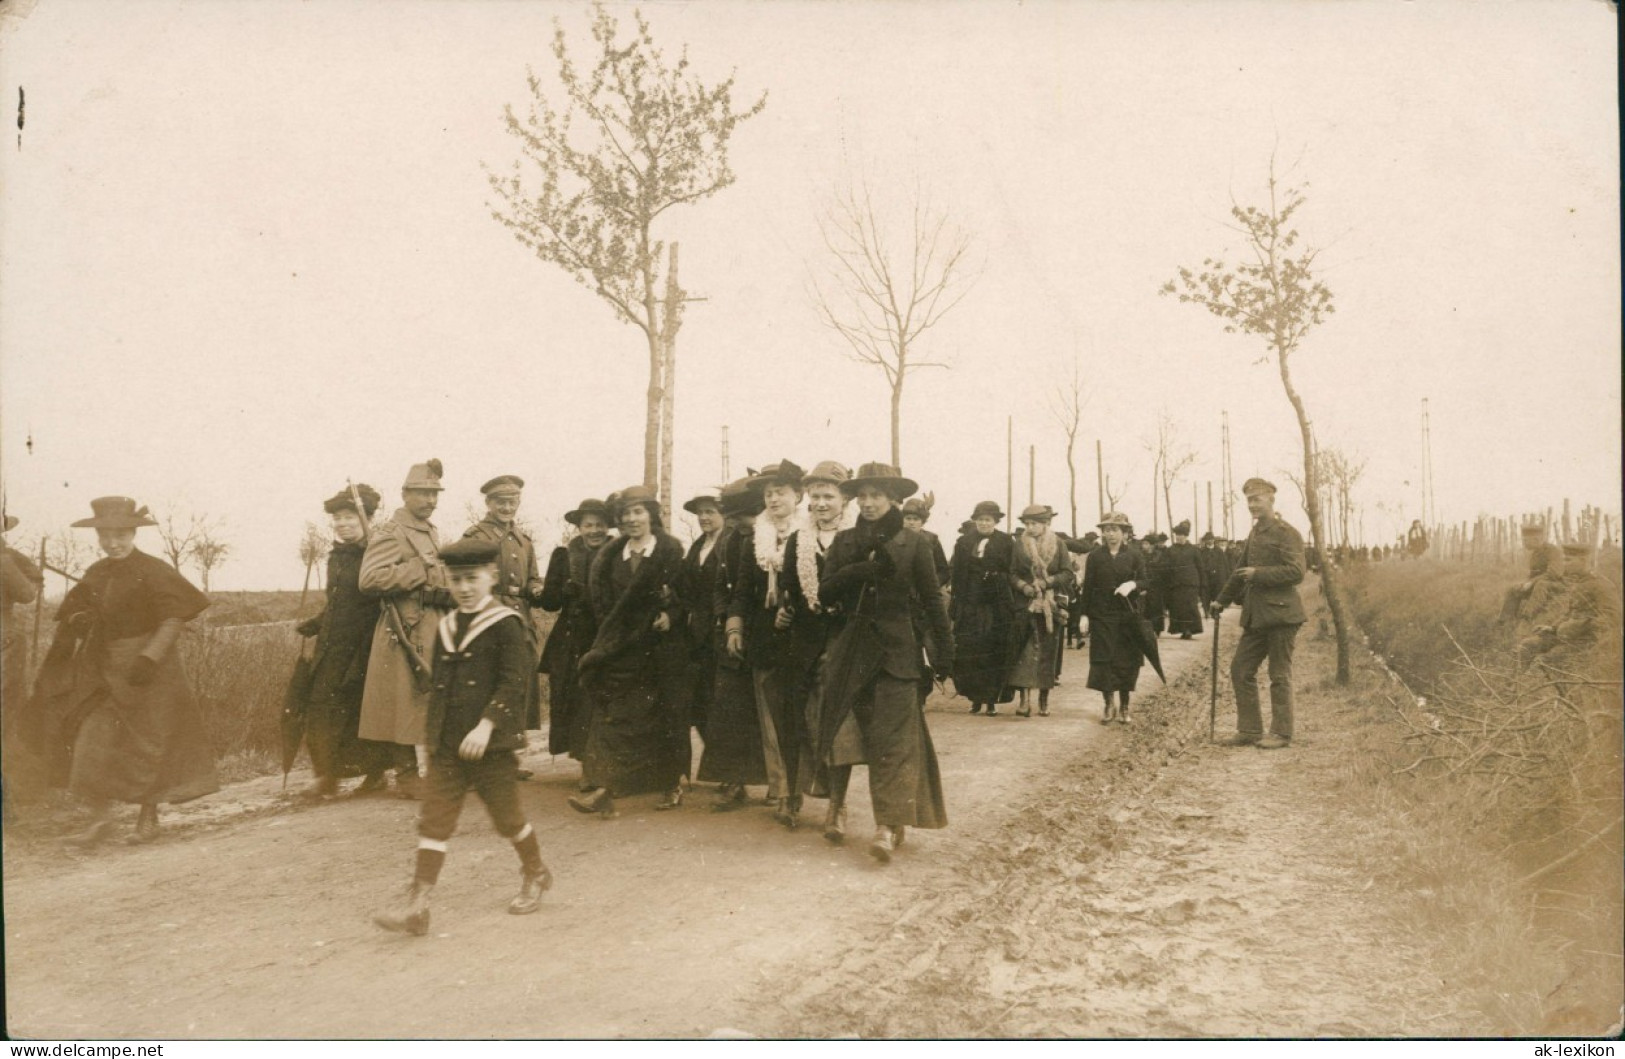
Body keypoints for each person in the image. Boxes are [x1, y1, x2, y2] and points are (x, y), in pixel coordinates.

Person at [372, 537, 550, 935]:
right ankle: (417, 905)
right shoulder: (449, 625)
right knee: (434, 821)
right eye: (456, 580)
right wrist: (432, 742)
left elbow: (513, 684)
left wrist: (487, 726)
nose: (464, 588)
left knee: (508, 819)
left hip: (492, 746)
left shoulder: (506, 623)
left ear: (491, 577)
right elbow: (440, 690)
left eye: (473, 578)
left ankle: (535, 871)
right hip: (448, 746)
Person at [23, 497, 217, 845]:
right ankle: (101, 819)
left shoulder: (154, 569)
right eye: (105, 535)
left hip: (151, 669)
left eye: (121, 534)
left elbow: (173, 617)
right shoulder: (97, 571)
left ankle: (148, 818)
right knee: (91, 739)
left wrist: (150, 657)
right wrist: (79, 618)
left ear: (133, 533)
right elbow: (77, 610)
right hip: (103, 668)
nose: (113, 542)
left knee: (148, 743)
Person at [817, 463, 953, 863]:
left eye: (877, 495)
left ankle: (887, 825)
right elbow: (825, 594)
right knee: (842, 732)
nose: (869, 502)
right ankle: (836, 807)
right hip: (850, 652)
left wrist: (944, 653)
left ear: (894, 498)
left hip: (897, 655)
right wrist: (856, 570)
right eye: (862, 496)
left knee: (893, 742)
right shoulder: (843, 542)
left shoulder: (914, 543)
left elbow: (932, 602)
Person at [571, 486, 688, 817]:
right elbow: (604, 606)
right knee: (618, 717)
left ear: (651, 514)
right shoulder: (610, 557)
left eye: (638, 512)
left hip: (662, 651)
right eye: (626, 514)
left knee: (666, 717)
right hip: (625, 651)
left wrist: (671, 613)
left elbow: (687, 594)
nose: (632, 520)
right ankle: (606, 790)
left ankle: (671, 785)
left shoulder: (670, 551)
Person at [358, 459, 452, 799]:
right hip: (405, 629)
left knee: (430, 701)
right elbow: (368, 580)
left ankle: (437, 773)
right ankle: (408, 776)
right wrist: (416, 567)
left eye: (434, 494)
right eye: (423, 493)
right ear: (405, 494)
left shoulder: (431, 530)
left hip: (434, 622)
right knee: (403, 704)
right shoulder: (391, 532)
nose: (430, 500)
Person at [293, 484, 392, 799]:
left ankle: (373, 774)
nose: (342, 524)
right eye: (337, 518)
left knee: (360, 711)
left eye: (350, 516)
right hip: (332, 646)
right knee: (321, 707)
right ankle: (327, 776)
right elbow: (338, 603)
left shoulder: (376, 553)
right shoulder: (337, 556)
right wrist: (316, 623)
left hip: (364, 646)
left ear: (368, 518)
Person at [728, 460, 808, 828]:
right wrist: (735, 626)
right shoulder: (754, 538)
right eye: (768, 493)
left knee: (801, 715)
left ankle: (804, 784)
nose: (774, 498)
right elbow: (743, 589)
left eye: (781, 491)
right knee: (770, 717)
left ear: (798, 495)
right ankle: (782, 789)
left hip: (802, 635)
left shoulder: (809, 533)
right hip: (764, 636)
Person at [779, 460, 856, 839]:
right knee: (805, 720)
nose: (822, 503)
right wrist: (791, 607)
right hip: (808, 644)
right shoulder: (798, 540)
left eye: (829, 496)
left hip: (848, 643)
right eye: (816, 496)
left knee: (839, 724)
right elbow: (790, 587)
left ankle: (837, 807)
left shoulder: (858, 538)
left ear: (845, 499)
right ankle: (795, 794)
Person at [1210, 478, 1306, 749]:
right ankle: (1250, 730)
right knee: (1241, 669)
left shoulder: (1286, 533)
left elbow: (1297, 572)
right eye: (1249, 500)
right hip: (1257, 617)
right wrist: (1220, 601)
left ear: (1271, 500)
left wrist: (1259, 574)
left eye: (1257, 499)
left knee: (1279, 674)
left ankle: (1281, 733)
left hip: (1283, 616)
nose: (1252, 505)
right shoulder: (1255, 533)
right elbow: (1239, 572)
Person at [696, 477, 769, 809]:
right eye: (735, 516)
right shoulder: (728, 541)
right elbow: (722, 588)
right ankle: (733, 780)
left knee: (766, 711)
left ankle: (777, 783)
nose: (741, 523)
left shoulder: (770, 539)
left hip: (765, 635)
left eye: (747, 516)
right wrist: (725, 618)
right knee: (729, 709)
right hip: (731, 636)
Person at [463, 476, 546, 754]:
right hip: (487, 618)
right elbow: (468, 579)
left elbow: (533, 577)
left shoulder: (523, 540)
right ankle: (481, 754)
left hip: (520, 618)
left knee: (516, 680)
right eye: (501, 502)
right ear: (488, 503)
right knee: (489, 681)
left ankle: (505, 753)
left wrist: (535, 589)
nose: (507, 507)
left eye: (512, 502)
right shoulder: (477, 537)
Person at [538, 498, 613, 766]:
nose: (594, 531)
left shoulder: (616, 554)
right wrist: (561, 590)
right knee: (570, 696)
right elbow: (549, 603)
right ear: (579, 527)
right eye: (588, 525)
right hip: (569, 640)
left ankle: (595, 761)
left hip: (601, 637)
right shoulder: (563, 556)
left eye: (600, 525)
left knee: (596, 700)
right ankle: (584, 759)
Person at [675, 489, 726, 802]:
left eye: (711, 511)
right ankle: (719, 768)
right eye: (701, 512)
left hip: (720, 630)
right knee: (702, 701)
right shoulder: (697, 546)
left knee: (723, 702)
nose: (705, 517)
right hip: (698, 633)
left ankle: (732, 775)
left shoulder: (730, 543)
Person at [949, 501, 1017, 717]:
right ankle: (975, 698)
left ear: (996, 521)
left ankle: (991, 701)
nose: (984, 523)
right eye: (980, 519)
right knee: (971, 650)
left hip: (995, 605)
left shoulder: (1006, 542)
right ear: (974, 521)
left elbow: (1011, 570)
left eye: (988, 519)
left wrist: (996, 577)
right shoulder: (963, 542)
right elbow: (956, 573)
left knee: (992, 650)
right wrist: (957, 602)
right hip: (970, 603)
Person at [1081, 511, 1148, 724]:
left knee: (1127, 662)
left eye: (1115, 529)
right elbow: (1088, 588)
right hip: (1102, 615)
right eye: (1106, 530)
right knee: (1104, 660)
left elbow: (1147, 581)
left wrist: (1133, 584)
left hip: (1127, 616)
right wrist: (1083, 614)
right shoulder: (1095, 556)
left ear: (1124, 532)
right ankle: (1109, 704)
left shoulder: (1134, 555)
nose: (1110, 534)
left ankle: (1125, 706)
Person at [1006, 504, 1072, 718]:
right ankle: (1024, 700)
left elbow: (1067, 573)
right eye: (1027, 523)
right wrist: (1024, 587)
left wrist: (1048, 582)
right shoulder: (1019, 545)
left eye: (1035, 523)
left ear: (1046, 524)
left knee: (1047, 652)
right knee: (1024, 652)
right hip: (1025, 605)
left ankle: (1044, 698)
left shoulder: (1059, 544)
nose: (1031, 527)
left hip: (1050, 606)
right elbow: (1012, 573)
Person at [2, 511, 45, 807]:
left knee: (8, 717)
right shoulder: (8, 558)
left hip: (5, 642)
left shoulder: (10, 557)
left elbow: (29, 591)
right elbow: (28, 592)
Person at [1500, 522, 1565, 631]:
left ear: (1536, 539)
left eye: (1526, 540)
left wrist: (1532, 582)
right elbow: (1533, 574)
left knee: (1541, 585)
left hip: (1559, 585)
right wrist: (1525, 583)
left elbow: (1554, 573)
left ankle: (1526, 620)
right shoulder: (1535, 554)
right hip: (1541, 583)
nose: (1524, 543)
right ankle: (1505, 622)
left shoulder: (1553, 551)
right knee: (1513, 589)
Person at [1162, 521, 1206, 639]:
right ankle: (1182, 629)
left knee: (1190, 607)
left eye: (1181, 535)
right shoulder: (1171, 550)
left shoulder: (1193, 550)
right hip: (1175, 584)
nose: (1178, 537)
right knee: (1177, 607)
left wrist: (1202, 584)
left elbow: (1200, 567)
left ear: (1186, 536)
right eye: (1177, 535)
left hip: (1190, 584)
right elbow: (1165, 566)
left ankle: (1189, 630)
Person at [901, 494, 951, 589]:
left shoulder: (932, 539)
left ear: (922, 521)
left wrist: (931, 586)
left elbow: (944, 571)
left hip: (925, 594)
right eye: (908, 518)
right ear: (903, 520)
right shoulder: (895, 539)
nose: (911, 522)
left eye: (916, 519)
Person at [1198, 531, 1233, 610]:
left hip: (1217, 577)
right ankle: (1206, 610)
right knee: (1206, 594)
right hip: (1206, 577)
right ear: (1205, 541)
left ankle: (1216, 612)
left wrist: (1227, 575)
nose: (1210, 541)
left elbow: (1225, 564)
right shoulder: (1202, 551)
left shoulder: (1219, 551)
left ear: (1213, 540)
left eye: (1211, 539)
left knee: (1217, 594)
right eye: (1208, 539)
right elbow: (1200, 565)